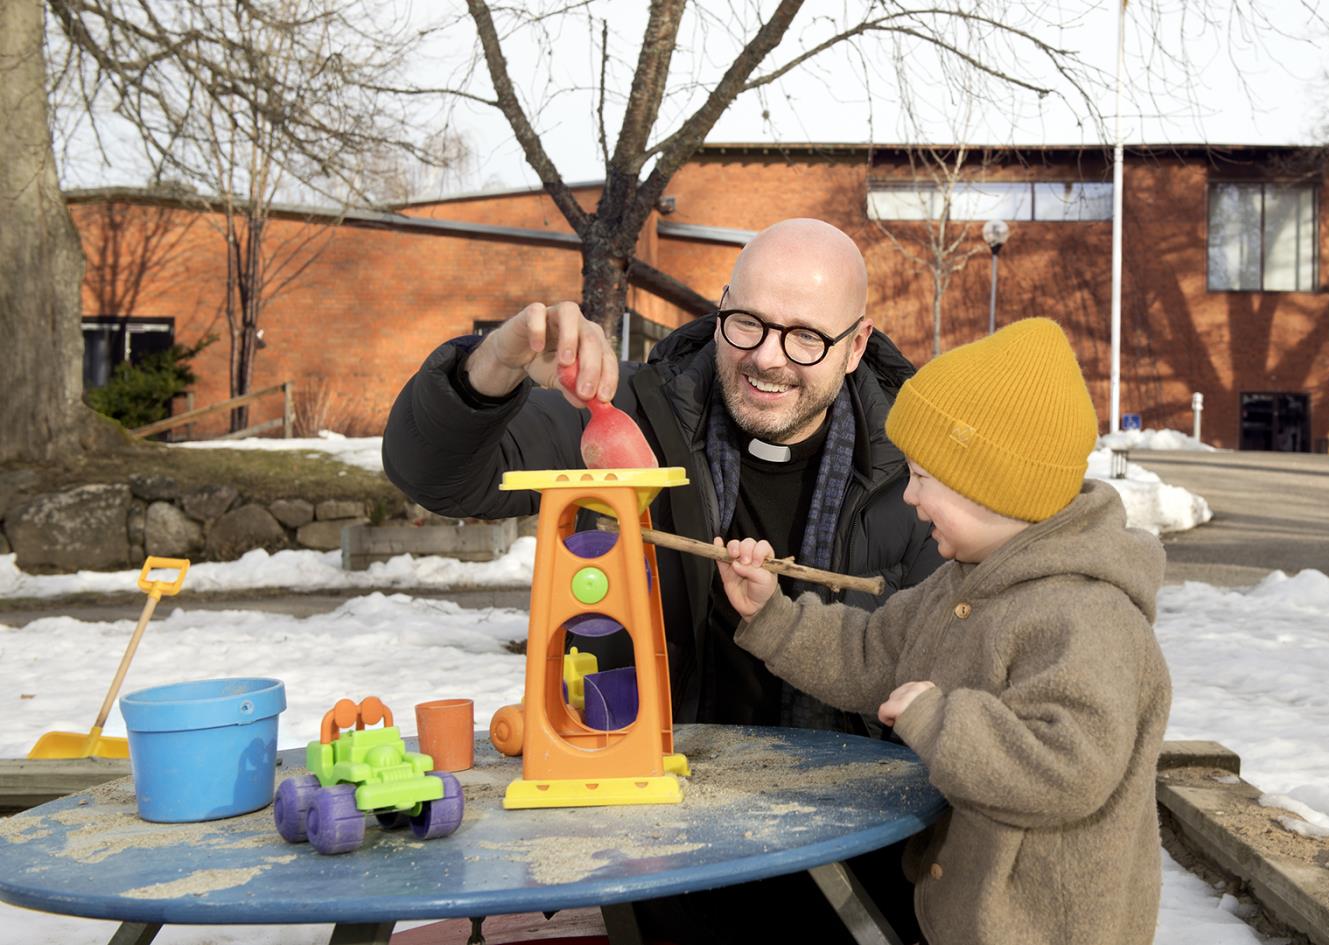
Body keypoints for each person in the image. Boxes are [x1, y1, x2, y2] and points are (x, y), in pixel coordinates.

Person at [382, 217, 942, 942]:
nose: (768, 358)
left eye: (806, 336)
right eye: (746, 323)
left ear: (857, 343)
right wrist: (495, 363)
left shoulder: (923, 468)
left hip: (867, 866)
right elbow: (438, 475)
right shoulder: (633, 415)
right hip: (666, 856)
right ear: (718, 311)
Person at [716, 318, 1173, 945]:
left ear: (993, 487)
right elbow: (874, 652)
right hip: (964, 915)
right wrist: (772, 615)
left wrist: (940, 721)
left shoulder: (1085, 617)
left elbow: (1067, 768)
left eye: (924, 478)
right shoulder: (962, 581)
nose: (908, 496)